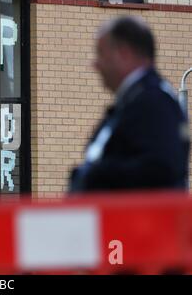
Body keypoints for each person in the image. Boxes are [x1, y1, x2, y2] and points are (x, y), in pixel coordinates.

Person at [69, 16, 190, 193]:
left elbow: (160, 170)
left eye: (101, 53)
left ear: (124, 54)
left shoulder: (154, 103)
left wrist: (93, 176)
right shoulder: (136, 100)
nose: (95, 64)